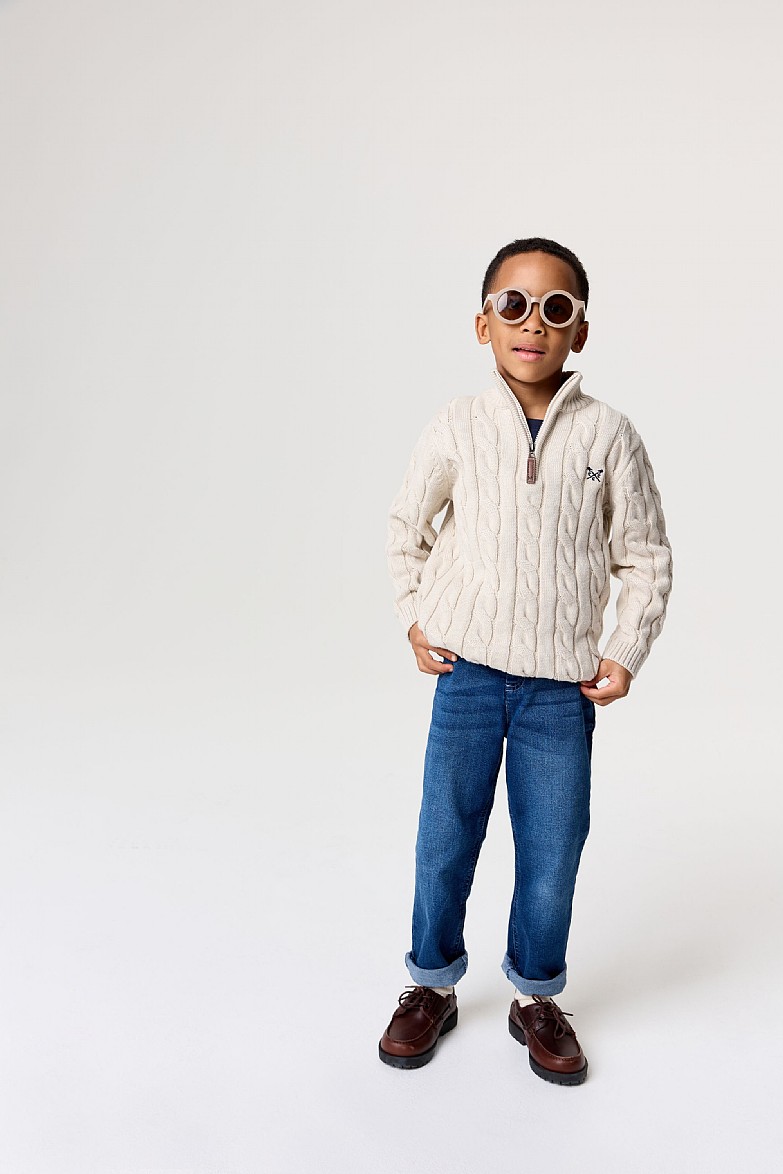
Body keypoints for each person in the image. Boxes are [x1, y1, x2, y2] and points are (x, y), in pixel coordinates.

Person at [379, 236, 674, 1085]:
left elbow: (644, 555)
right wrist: (414, 615)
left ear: (579, 330)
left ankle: (535, 996)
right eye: (513, 305)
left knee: (552, 849)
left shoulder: (608, 434)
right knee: (444, 838)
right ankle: (429, 983)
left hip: (558, 691)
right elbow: (406, 527)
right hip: (466, 676)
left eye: (554, 308)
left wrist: (625, 647)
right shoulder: (456, 425)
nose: (531, 323)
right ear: (483, 324)